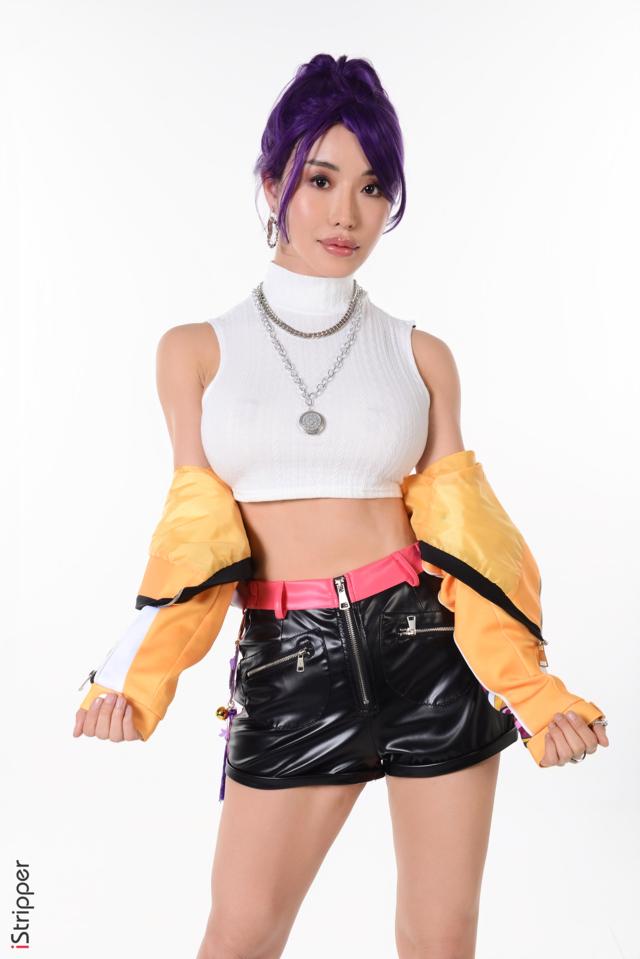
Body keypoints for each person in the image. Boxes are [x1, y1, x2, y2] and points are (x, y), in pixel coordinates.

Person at [73, 54, 609, 959]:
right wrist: (133, 675)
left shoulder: (420, 355)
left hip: (429, 649)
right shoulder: (195, 352)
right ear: (272, 182)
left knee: (441, 940)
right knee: (240, 935)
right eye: (320, 180)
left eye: (372, 187)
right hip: (290, 663)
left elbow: (469, 541)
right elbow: (197, 538)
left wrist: (533, 689)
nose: (346, 214)